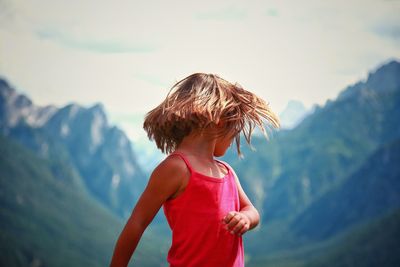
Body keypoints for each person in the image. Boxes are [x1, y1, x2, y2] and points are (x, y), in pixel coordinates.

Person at [109, 73, 280, 267]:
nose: (235, 137)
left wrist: (245, 218)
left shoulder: (227, 172)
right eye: (235, 127)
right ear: (220, 121)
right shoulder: (176, 168)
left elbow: (251, 210)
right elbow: (137, 222)